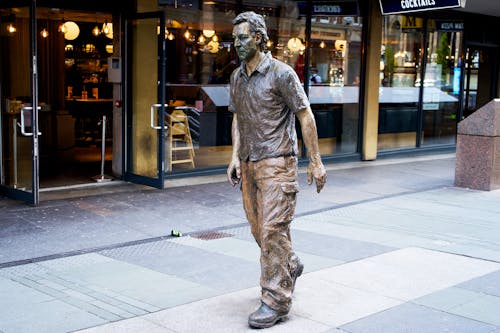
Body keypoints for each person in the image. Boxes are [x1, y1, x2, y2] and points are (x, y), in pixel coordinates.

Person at [227, 11, 327, 329]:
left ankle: (276, 301)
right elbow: (238, 119)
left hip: (278, 163)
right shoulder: (236, 78)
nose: (237, 43)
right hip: (248, 163)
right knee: (259, 231)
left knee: (273, 232)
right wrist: (233, 157)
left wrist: (316, 161)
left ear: (258, 37)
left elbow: (305, 115)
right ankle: (289, 264)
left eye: (242, 37)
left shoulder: (282, 74)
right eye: (235, 38)